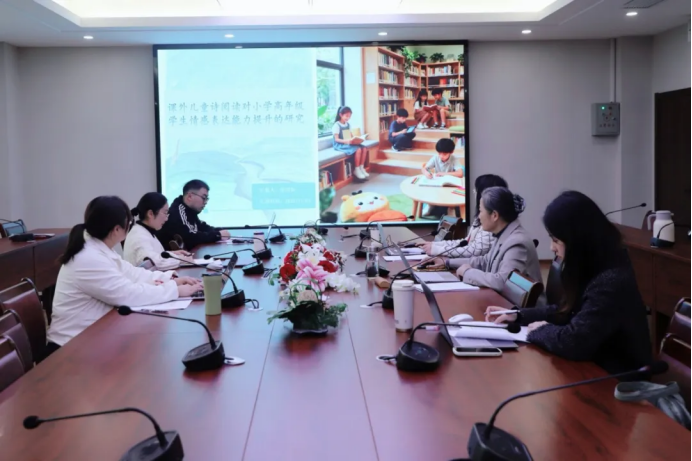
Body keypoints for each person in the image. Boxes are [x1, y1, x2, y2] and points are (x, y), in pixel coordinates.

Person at [487, 191, 653, 375]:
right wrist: (518, 315)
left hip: (618, 381)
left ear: (578, 239)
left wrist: (540, 330)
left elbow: (574, 342)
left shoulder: (611, 280)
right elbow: (566, 310)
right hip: (593, 367)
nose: (552, 247)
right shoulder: (593, 264)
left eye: (556, 240)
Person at [46, 196, 203, 356]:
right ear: (116, 229)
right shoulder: (89, 257)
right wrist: (174, 290)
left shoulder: (99, 248)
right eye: (128, 224)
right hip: (69, 348)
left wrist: (171, 280)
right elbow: (128, 294)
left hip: (92, 337)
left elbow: (132, 273)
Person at [446, 187, 542, 294]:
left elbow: (503, 282)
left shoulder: (517, 242)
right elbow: (484, 262)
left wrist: (468, 272)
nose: (478, 217)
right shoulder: (503, 233)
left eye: (480, 211)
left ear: (494, 215)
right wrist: (447, 262)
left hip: (517, 304)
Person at [420, 174, 509, 258]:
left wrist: (437, 250)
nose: (474, 192)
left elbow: (475, 251)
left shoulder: (491, 222)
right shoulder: (481, 217)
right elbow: (466, 242)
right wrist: (435, 245)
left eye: (476, 190)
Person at [124, 192, 193, 270]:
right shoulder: (139, 237)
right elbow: (153, 264)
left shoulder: (145, 230)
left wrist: (173, 254)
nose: (166, 219)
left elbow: (156, 256)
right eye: (165, 213)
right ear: (150, 214)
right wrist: (181, 260)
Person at [158, 179, 231, 250]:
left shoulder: (190, 211)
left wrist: (220, 231)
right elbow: (191, 237)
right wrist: (218, 235)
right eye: (204, 198)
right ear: (190, 196)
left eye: (207, 199)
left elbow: (202, 227)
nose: (205, 202)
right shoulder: (178, 212)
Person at [420, 138, 464, 218]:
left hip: (449, 184)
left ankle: (451, 208)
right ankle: (430, 205)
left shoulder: (454, 159)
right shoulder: (435, 158)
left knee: (452, 192)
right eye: (440, 153)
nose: (441, 156)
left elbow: (460, 173)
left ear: (451, 152)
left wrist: (444, 174)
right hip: (438, 183)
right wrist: (426, 173)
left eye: (444, 154)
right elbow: (424, 168)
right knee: (429, 189)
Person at [332, 106, 369, 180]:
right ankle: (356, 169)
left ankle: (361, 167)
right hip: (340, 144)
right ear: (341, 115)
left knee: (364, 148)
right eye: (346, 116)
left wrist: (357, 139)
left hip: (348, 142)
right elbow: (336, 139)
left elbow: (350, 136)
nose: (348, 118)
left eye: (349, 116)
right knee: (358, 149)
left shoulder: (348, 124)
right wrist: (348, 141)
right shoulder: (336, 125)